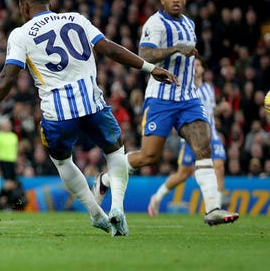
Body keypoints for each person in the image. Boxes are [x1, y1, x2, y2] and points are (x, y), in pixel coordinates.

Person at [0, 0, 178, 237]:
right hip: (93, 104)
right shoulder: (76, 19)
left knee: (62, 161)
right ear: (49, 4)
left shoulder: (21, 33)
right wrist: (150, 68)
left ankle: (96, 213)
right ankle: (117, 206)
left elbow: (8, 76)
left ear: (24, 8)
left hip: (57, 114)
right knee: (115, 150)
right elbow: (109, 48)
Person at [113, 0, 238, 226]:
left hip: (189, 98)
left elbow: (188, 57)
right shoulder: (155, 23)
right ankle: (108, 179)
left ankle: (212, 209)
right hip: (160, 98)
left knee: (204, 147)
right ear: (162, 0)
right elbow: (145, 55)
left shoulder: (190, 24)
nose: (176, 0)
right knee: (149, 156)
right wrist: (175, 49)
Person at [93, 57, 230, 215]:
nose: (195, 68)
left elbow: (210, 111)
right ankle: (151, 195)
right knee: (154, 159)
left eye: (197, 65)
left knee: (218, 167)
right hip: (180, 129)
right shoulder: (177, 86)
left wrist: (221, 109)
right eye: (194, 64)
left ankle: (214, 208)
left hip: (210, 133)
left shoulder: (208, 89)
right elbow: (146, 53)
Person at [0, 117, 26, 211]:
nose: (8, 125)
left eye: (9, 124)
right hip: (3, 161)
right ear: (2, 126)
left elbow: (16, 151)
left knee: (12, 184)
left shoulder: (14, 136)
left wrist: (19, 164)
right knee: (9, 184)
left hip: (12, 162)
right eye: (6, 124)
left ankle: (5, 204)